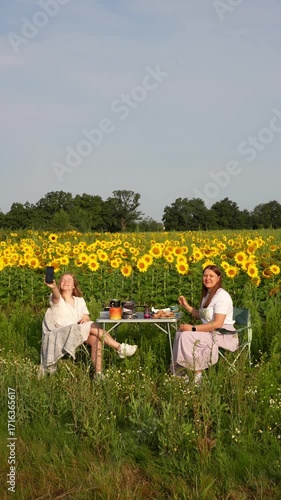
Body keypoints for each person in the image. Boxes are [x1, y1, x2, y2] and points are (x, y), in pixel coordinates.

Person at [41, 272, 137, 376]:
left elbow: (86, 317)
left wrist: (86, 317)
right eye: (63, 280)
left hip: (77, 332)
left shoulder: (80, 301)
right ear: (59, 285)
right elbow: (56, 295)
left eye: (69, 280)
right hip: (62, 333)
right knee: (90, 325)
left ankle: (98, 375)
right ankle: (119, 347)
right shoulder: (56, 299)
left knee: (96, 340)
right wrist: (53, 287)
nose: (66, 282)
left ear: (74, 286)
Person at [172, 265, 238, 384]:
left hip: (223, 334)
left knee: (186, 336)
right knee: (180, 333)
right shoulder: (208, 294)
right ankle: (180, 372)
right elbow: (204, 316)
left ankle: (197, 375)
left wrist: (193, 328)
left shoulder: (222, 296)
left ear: (218, 278)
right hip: (210, 331)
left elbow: (217, 323)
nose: (207, 278)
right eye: (205, 275)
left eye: (211, 276)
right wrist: (187, 306)